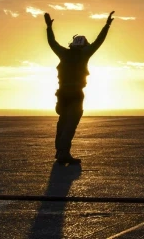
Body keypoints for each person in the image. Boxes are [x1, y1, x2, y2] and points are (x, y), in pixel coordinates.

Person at [44, 10, 114, 165]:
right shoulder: (84, 54)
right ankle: (63, 153)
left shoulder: (63, 53)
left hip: (61, 94)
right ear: (84, 45)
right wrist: (107, 25)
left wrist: (48, 27)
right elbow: (98, 41)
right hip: (75, 93)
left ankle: (59, 151)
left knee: (62, 122)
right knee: (70, 124)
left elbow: (52, 42)